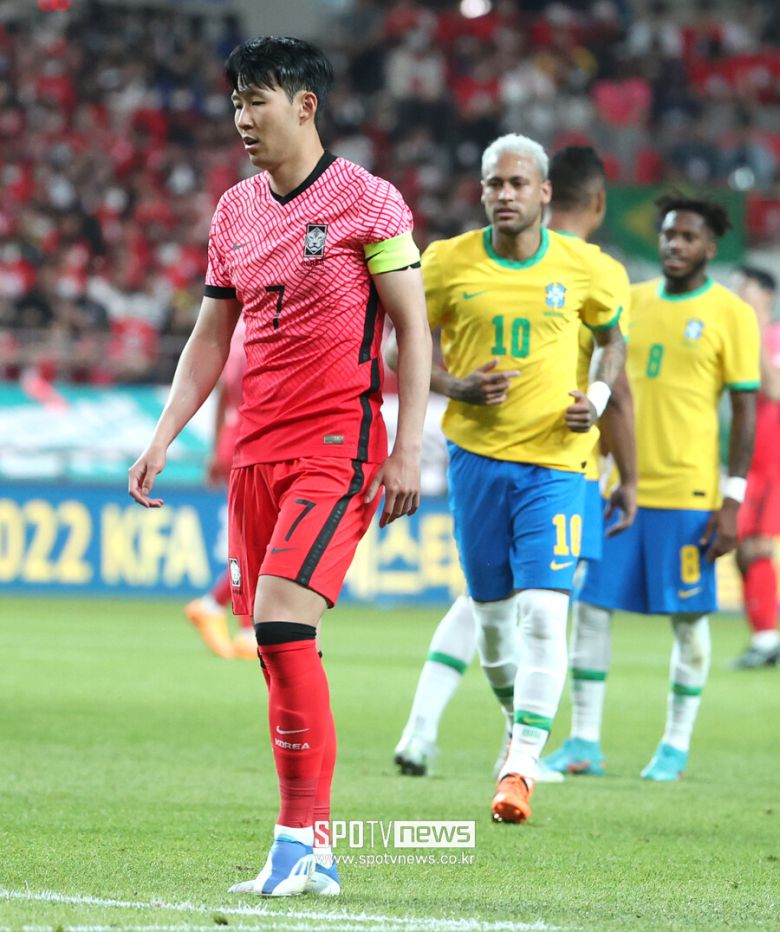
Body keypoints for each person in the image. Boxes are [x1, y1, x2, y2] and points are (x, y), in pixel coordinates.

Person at [128, 36, 431, 897]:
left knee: (281, 622)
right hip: (255, 454)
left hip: (337, 445)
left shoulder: (368, 201)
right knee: (278, 648)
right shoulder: (234, 211)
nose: (241, 117)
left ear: (305, 104)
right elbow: (210, 337)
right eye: (235, 101)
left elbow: (413, 328)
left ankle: (298, 840)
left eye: (256, 99)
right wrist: (164, 435)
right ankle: (313, 847)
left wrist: (408, 446)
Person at [391, 146, 637, 782]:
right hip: (476, 460)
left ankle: (521, 764)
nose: (505, 194)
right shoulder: (446, 262)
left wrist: (597, 399)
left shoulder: (589, 268)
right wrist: (456, 386)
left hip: (558, 464)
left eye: (518, 183)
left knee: (545, 613)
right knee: (493, 622)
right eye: (494, 183)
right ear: (481, 191)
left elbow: (612, 342)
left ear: (544, 192)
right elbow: (398, 346)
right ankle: (509, 732)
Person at [545, 194, 760, 781]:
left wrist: (733, 497)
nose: (674, 244)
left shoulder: (731, 313)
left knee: (688, 622)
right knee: (592, 610)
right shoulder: (629, 302)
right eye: (668, 234)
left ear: (710, 247)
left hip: (690, 495)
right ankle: (583, 741)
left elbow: (745, 410)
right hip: (621, 490)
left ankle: (675, 745)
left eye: (688, 237)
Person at [185, 317, 257, 660]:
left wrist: (216, 450)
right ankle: (235, 620)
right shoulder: (267, 323)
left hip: (235, 433)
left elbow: (223, 394)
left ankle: (235, 620)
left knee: (251, 539)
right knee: (258, 541)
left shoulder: (237, 329)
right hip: (256, 437)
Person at [730, 266, 780, 669]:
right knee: (742, 550)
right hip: (748, 460)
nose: (736, 293)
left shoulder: (775, 337)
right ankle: (765, 638)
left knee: (758, 546)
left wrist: (758, 326)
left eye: (743, 286)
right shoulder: (740, 339)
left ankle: (767, 641)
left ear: (765, 293)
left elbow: (774, 389)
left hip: (773, 460)